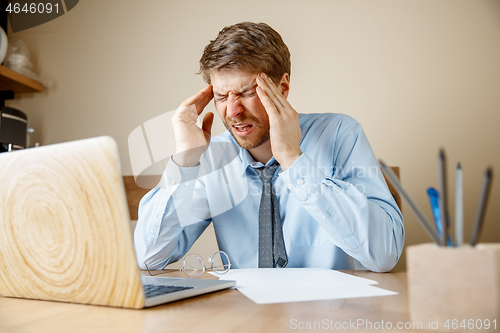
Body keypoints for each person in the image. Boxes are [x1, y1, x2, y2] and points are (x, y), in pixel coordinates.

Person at [134, 22, 404, 273]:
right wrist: (186, 161)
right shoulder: (212, 158)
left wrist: (292, 159)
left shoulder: (340, 135)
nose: (233, 111)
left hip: (325, 317)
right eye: (220, 96)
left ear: (282, 87)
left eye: (248, 93)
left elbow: (384, 255)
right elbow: (150, 257)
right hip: (244, 317)